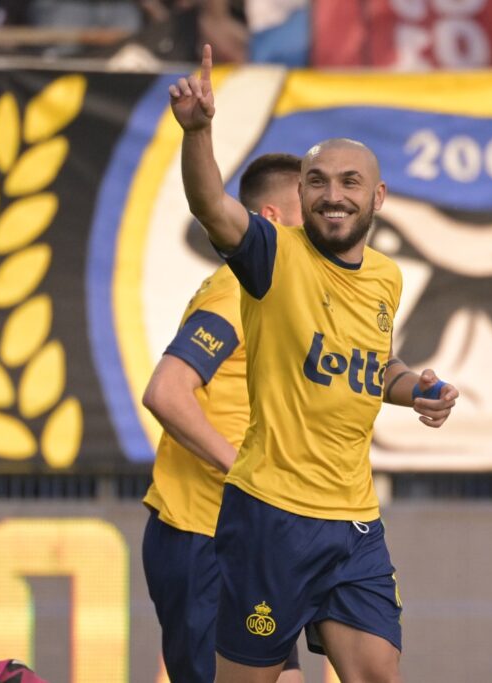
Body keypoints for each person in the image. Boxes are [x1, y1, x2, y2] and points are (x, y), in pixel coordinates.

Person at [169, 45, 459, 683]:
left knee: (378, 672)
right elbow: (211, 207)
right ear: (300, 194)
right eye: (318, 182)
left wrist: (418, 390)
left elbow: (377, 367)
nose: (333, 195)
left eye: (349, 182)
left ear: (377, 196)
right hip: (271, 516)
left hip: (354, 520)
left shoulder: (386, 277)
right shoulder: (273, 255)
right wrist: (199, 133)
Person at [141, 152, 305, 683]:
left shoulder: (287, 295)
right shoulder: (235, 292)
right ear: (273, 221)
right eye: (312, 211)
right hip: (202, 535)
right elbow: (166, 392)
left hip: (252, 539)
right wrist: (243, 472)